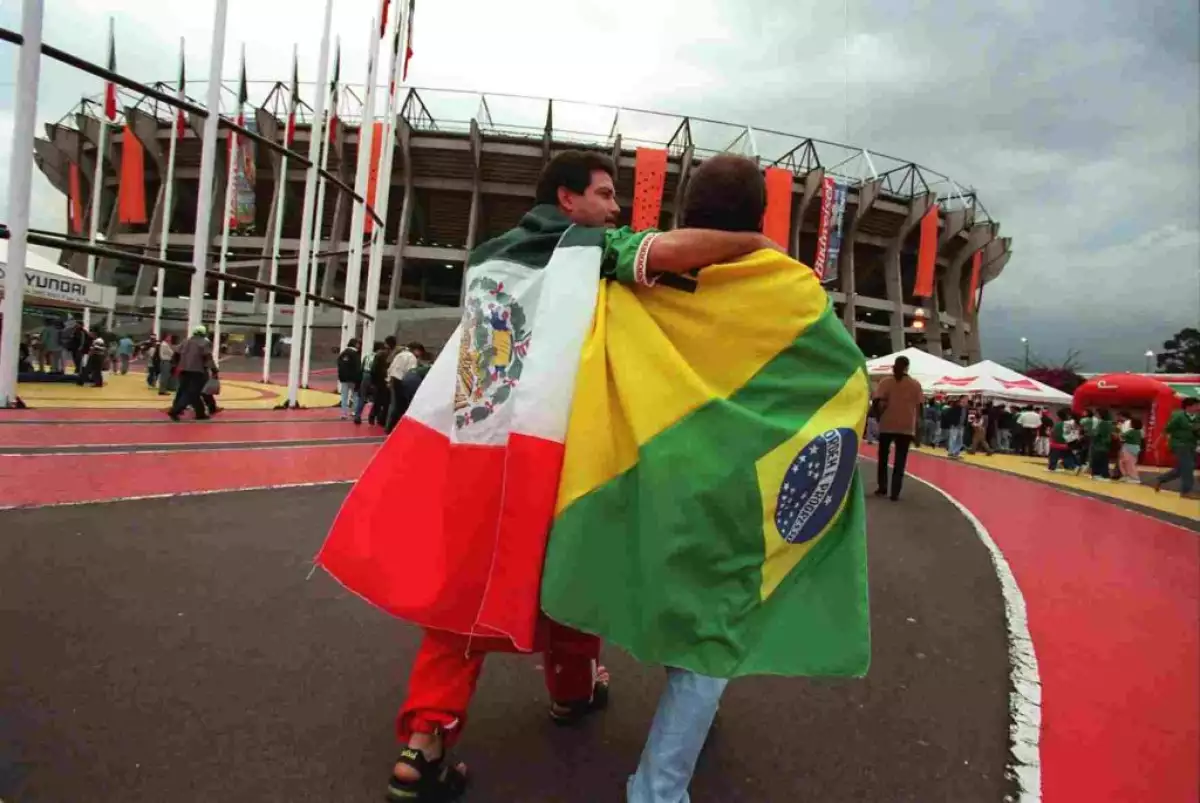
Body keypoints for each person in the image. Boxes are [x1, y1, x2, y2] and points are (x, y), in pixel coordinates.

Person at [374, 151, 781, 802]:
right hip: (552, 448)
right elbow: (676, 252)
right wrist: (756, 240)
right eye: (604, 193)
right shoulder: (585, 248)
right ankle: (570, 690)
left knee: (464, 599)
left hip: (476, 446)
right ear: (568, 201)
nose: (615, 207)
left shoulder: (488, 257)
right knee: (572, 571)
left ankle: (423, 742)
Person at [872, 355, 923, 500]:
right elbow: (920, 407)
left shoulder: (886, 382)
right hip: (906, 426)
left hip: (887, 424)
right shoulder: (915, 384)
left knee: (883, 457)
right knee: (900, 459)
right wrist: (918, 429)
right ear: (908, 367)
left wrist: (878, 417)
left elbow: (876, 402)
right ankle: (895, 492)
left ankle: (882, 487)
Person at [168, 326, 215, 421]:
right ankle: (175, 410)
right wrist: (214, 370)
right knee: (192, 393)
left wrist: (174, 366)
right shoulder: (205, 342)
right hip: (197, 371)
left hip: (184, 371)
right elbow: (208, 357)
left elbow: (176, 353)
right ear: (203, 333)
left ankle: (200, 413)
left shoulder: (185, 341)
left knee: (190, 393)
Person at [1155, 398, 1199, 497]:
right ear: (1189, 406)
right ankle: (1186, 491)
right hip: (1179, 444)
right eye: (1196, 405)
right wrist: (1159, 441)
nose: (1198, 407)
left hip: (1192, 445)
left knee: (1181, 468)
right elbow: (1167, 429)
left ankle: (1161, 479)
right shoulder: (1178, 416)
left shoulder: (1197, 417)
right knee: (1188, 466)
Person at [385, 342, 420, 433]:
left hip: (393, 379)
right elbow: (411, 372)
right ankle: (394, 427)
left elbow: (391, 368)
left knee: (393, 404)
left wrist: (388, 380)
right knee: (400, 406)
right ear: (416, 350)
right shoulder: (411, 357)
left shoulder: (399, 355)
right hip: (401, 381)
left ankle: (388, 426)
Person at [336, 338, 363, 419]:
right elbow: (358, 367)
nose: (359, 345)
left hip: (343, 378)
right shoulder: (355, 354)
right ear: (355, 344)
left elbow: (339, 364)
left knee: (344, 396)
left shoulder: (343, 353)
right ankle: (354, 411)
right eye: (358, 344)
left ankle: (343, 413)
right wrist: (359, 378)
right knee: (355, 395)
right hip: (353, 379)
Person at [1089, 408, 1115, 480]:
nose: (1095, 415)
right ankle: (1103, 474)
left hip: (1099, 445)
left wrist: (1093, 432)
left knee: (1098, 460)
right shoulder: (1109, 423)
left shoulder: (1103, 423)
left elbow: (1097, 434)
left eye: (1096, 414)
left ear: (1100, 415)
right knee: (1103, 460)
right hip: (1105, 446)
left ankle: (1099, 474)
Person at [1118, 417, 1143, 484]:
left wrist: (1120, 428)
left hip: (1129, 448)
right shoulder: (1139, 431)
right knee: (1126, 462)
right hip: (1134, 448)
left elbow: (1122, 435)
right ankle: (1127, 476)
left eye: (1131, 423)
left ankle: (1134, 478)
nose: (1130, 424)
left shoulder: (1132, 431)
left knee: (1128, 463)